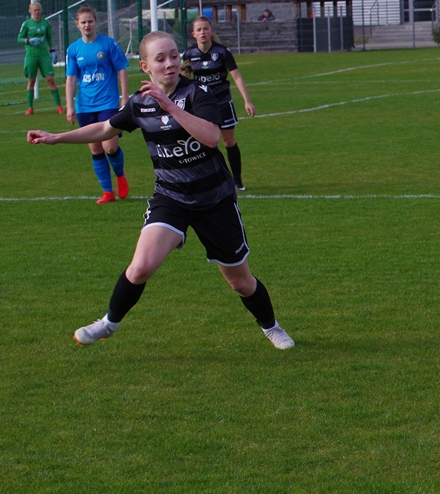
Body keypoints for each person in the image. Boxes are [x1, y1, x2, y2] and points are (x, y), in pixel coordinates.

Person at [27, 31, 294, 350]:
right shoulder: (140, 103)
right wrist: (55, 137)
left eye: (174, 56)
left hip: (214, 199)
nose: (170, 63)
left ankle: (272, 327)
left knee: (240, 282)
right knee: (140, 267)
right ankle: (108, 323)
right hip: (171, 197)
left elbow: (211, 137)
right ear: (145, 67)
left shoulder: (198, 94)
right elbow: (105, 128)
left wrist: (168, 105)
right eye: (161, 58)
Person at [64, 4, 131, 204]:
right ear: (77, 24)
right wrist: (69, 106)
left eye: (90, 21)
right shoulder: (73, 49)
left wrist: (124, 98)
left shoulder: (108, 44)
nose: (87, 25)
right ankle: (107, 192)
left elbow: (122, 71)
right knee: (95, 148)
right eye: (83, 22)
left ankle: (120, 176)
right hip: (84, 106)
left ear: (96, 22)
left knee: (110, 147)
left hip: (108, 103)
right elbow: (71, 78)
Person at [183, 17, 255, 190]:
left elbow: (237, 77)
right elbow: (183, 79)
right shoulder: (189, 54)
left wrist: (247, 101)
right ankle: (208, 179)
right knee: (203, 143)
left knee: (228, 141)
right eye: (199, 29)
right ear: (193, 34)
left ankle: (237, 181)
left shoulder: (222, 52)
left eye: (205, 28)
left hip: (222, 102)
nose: (203, 32)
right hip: (202, 105)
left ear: (211, 31)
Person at [18, 0, 63, 116]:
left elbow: (49, 38)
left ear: (41, 11)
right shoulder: (26, 24)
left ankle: (59, 106)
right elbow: (19, 38)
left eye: (38, 10)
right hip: (31, 56)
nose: (37, 12)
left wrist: (53, 51)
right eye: (35, 10)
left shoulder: (45, 23)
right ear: (30, 11)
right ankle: (30, 108)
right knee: (31, 81)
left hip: (44, 55)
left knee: (50, 79)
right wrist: (29, 40)